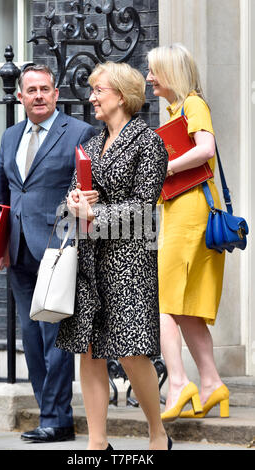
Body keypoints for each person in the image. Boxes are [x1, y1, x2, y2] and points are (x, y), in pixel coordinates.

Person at [55, 61, 171, 451]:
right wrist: (73, 202)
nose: (91, 98)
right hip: (90, 260)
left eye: (97, 90)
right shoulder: (88, 144)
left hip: (130, 259)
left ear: (120, 95)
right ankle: (97, 443)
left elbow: (143, 209)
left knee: (132, 351)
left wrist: (95, 213)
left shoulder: (148, 142)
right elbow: (72, 198)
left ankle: (157, 434)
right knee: (88, 350)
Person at [0, 64, 96, 442]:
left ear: (56, 92)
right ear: (20, 96)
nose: (37, 95)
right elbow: (0, 193)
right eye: (30, 90)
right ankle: (48, 412)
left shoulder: (80, 133)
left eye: (44, 89)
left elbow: (86, 193)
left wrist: (74, 242)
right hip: (16, 249)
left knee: (55, 336)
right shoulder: (10, 136)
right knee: (31, 338)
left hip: (56, 248)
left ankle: (57, 418)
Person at [146, 43, 229, 422]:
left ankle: (178, 384)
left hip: (190, 213)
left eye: (153, 71)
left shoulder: (193, 104)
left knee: (164, 302)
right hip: (186, 210)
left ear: (170, 74)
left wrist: (167, 167)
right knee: (188, 310)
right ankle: (212, 385)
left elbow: (205, 149)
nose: (149, 78)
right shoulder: (179, 109)